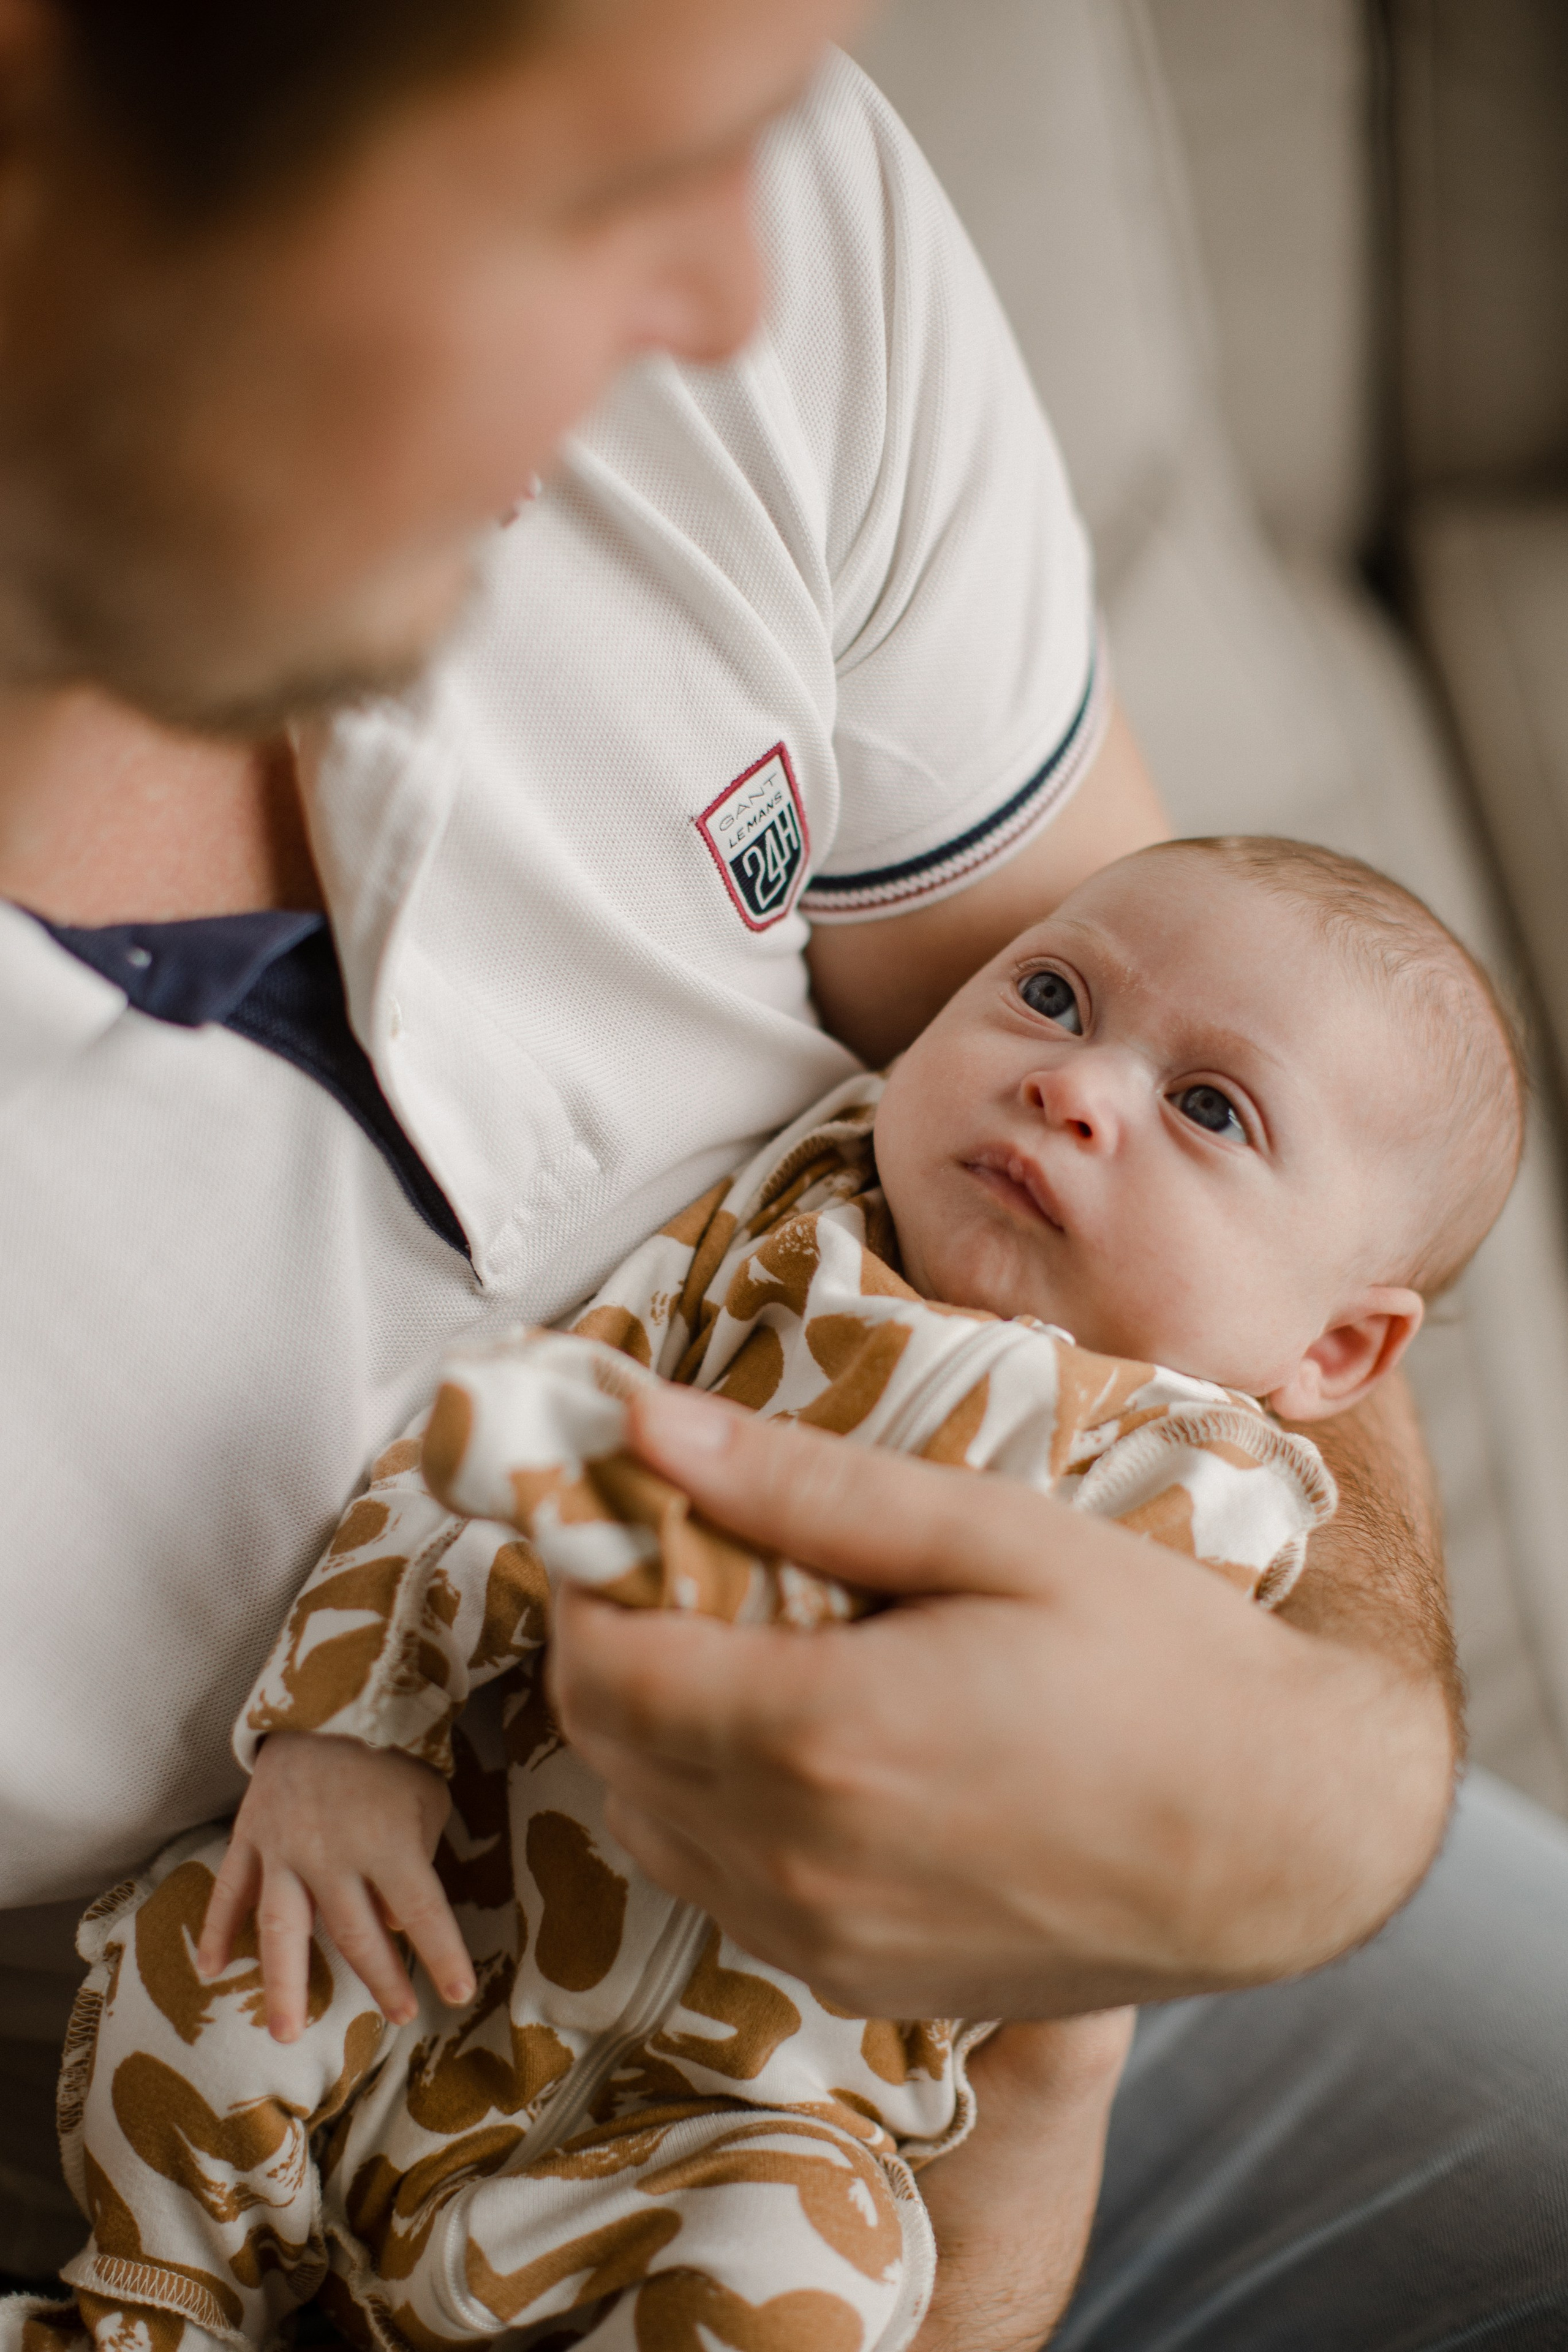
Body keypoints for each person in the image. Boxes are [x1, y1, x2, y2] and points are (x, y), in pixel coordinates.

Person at [0, 1, 1562, 2345]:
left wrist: (1300, 1799)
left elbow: (1251, 1181)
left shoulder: (761, 186)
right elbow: (505, 1466)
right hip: (305, 1974)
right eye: (589, 188)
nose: (742, 300)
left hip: (861, 2089)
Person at [23, 838, 1525, 2352]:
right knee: (210, 1949)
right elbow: (518, 1425)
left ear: (1331, 1356)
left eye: (1208, 1109)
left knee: (815, 2267)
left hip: (740, 2108)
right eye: (1051, 996)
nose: (1074, 1086)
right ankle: (163, 2309)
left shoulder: (1200, 1501)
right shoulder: (786, 1227)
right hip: (434, 1934)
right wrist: (350, 1730)